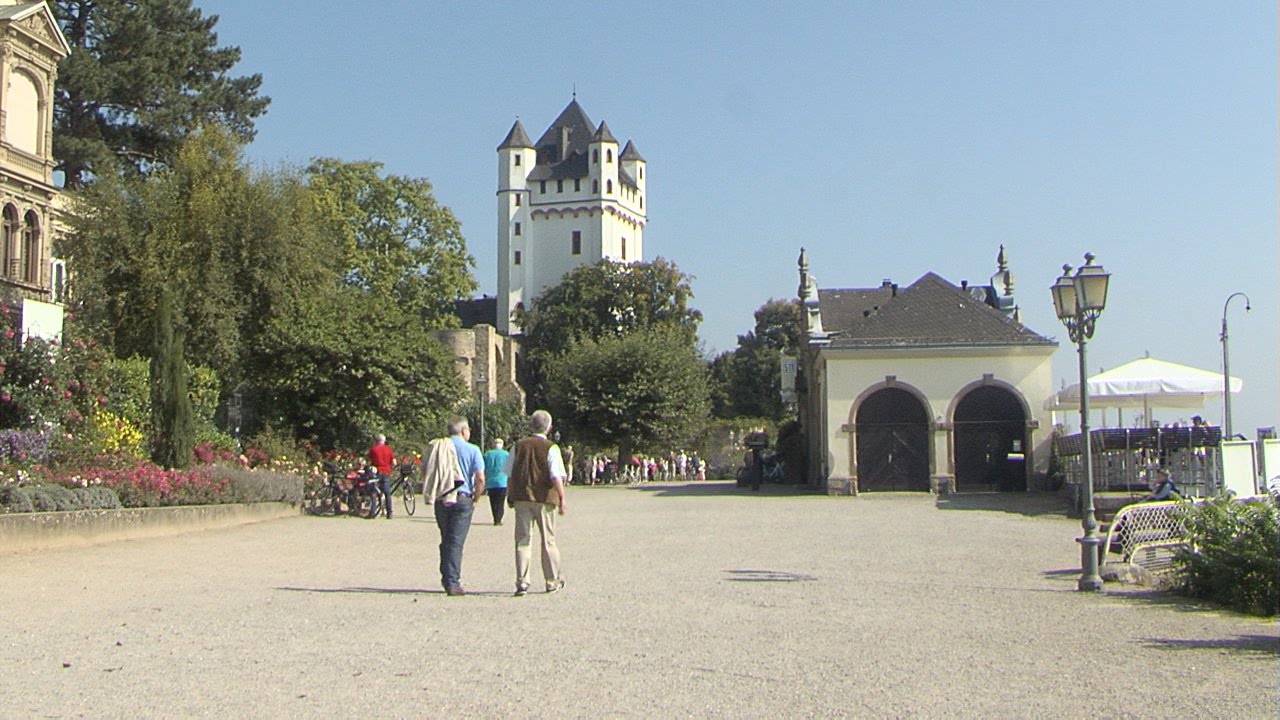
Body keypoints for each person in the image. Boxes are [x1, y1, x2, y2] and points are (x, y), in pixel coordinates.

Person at [504, 409, 567, 596]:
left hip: (522, 497)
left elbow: (509, 473)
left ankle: (522, 582)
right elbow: (556, 476)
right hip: (544, 498)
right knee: (548, 540)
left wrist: (511, 493)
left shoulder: (518, 446)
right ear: (549, 427)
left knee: (523, 541)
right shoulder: (551, 448)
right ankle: (551, 580)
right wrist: (563, 498)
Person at [421, 416, 484, 596]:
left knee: (446, 537)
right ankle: (452, 582)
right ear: (464, 431)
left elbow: (425, 470)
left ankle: (447, 576)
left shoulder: (436, 447)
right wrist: (476, 498)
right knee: (455, 541)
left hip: (442, 497)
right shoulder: (472, 450)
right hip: (463, 497)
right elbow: (480, 478)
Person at [483, 438, 510, 526]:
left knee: (493, 501)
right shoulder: (506, 454)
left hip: (490, 482)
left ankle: (495, 517)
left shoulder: (488, 454)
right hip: (502, 482)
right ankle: (498, 519)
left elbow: (483, 467)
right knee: (501, 502)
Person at [368, 433, 395, 519]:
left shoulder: (373, 449)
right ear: (384, 441)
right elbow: (394, 462)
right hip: (386, 472)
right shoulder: (389, 450)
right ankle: (389, 512)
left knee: (374, 492)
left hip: (376, 472)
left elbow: (369, 460)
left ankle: (372, 512)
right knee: (387, 493)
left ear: (377, 440)